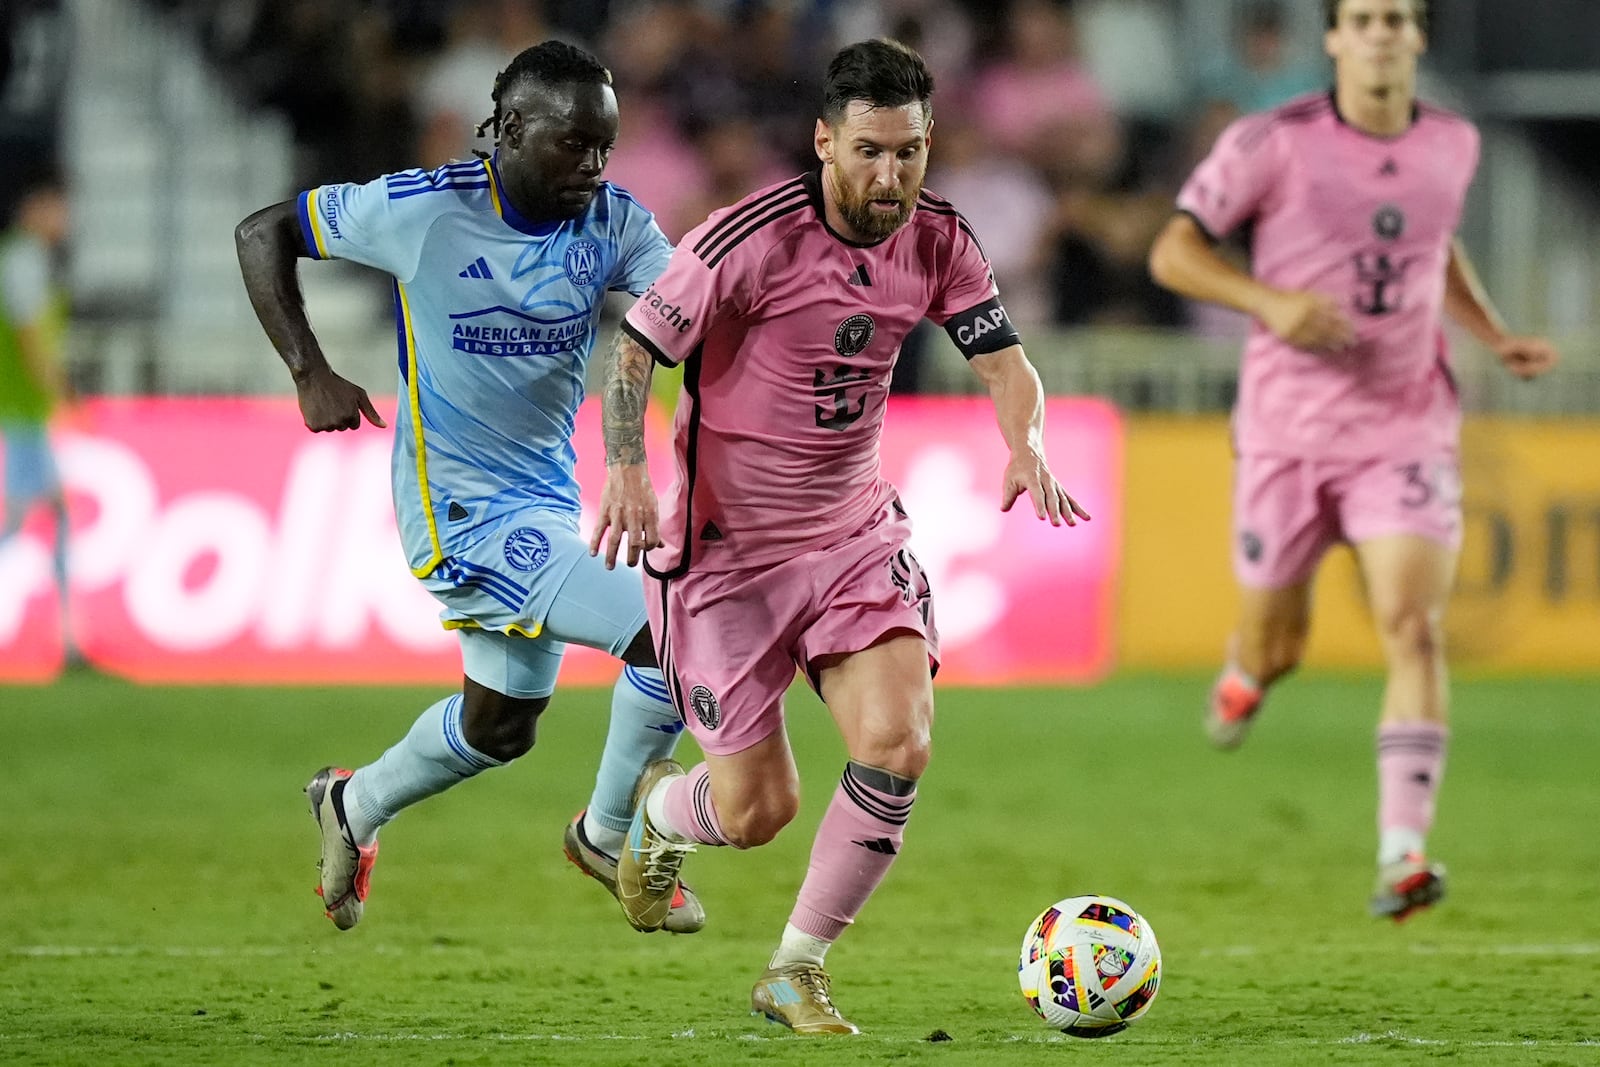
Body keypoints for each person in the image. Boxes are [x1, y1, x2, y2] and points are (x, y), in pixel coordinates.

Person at [588, 39, 1091, 1034]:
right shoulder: (748, 239)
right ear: (824, 140)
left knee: (898, 739)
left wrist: (1026, 441)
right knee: (755, 811)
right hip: (722, 555)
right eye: (869, 151)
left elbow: (1003, 363)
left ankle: (794, 968)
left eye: (909, 153)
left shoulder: (941, 238)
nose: (890, 176)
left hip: (853, 534)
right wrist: (624, 464)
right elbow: (639, 344)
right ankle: (658, 815)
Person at [234, 40, 705, 936]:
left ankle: (353, 802)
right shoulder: (423, 208)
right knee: (672, 629)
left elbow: (685, 317)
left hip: (545, 501)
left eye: (605, 147)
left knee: (499, 728)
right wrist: (309, 370)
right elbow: (263, 232)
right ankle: (606, 836)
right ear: (513, 128)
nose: (594, 167)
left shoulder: (611, 222)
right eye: (574, 145)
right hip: (458, 509)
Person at [1147, 0, 1558, 922]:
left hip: (1404, 425)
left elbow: (1430, 246)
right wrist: (1269, 301)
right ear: (1332, 39)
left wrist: (1490, 334)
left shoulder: (1453, 143)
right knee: (1276, 644)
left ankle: (1402, 851)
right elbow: (1171, 252)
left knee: (1412, 624)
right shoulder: (1271, 141)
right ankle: (1247, 673)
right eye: (1364, 18)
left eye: (1398, 19)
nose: (1381, 33)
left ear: (1418, 38)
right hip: (1287, 432)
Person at [0, 172, 77, 662]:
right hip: (25, 407)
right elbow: (30, 335)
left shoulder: (24, 258)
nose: (64, 221)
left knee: (54, 514)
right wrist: (62, 393)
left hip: (27, 408)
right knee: (23, 519)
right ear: (36, 207)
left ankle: (69, 641)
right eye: (58, 209)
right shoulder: (23, 259)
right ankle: (68, 642)